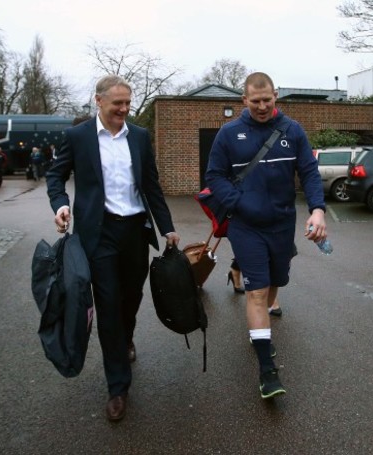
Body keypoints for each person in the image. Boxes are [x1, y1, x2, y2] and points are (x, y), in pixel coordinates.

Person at [46, 75, 180, 421]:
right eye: (117, 103)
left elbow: (151, 185)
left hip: (136, 231)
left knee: (131, 297)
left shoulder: (139, 136)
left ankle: (127, 336)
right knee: (107, 305)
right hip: (99, 233)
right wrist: (60, 205)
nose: (124, 109)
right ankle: (117, 386)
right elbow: (55, 176)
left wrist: (167, 228)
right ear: (98, 101)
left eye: (127, 102)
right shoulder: (78, 137)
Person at [205, 72, 327, 399]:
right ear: (244, 101)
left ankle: (259, 333)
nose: (261, 106)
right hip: (246, 226)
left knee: (276, 283)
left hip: (283, 224)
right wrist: (240, 204)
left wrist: (317, 209)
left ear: (276, 97)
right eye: (254, 101)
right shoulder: (229, 134)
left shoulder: (293, 130)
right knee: (257, 291)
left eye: (267, 100)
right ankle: (266, 369)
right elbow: (214, 177)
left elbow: (309, 172)